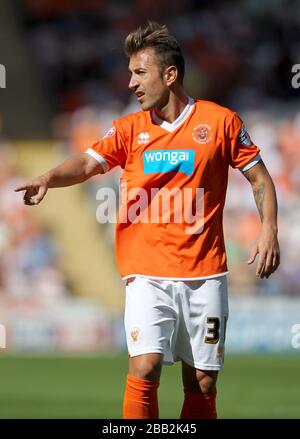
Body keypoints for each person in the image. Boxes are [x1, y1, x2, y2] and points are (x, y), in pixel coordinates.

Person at [15, 21, 280, 419]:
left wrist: (269, 231)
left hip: (205, 275)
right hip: (146, 274)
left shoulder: (221, 121)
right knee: (145, 366)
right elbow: (88, 162)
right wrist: (49, 177)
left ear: (169, 75)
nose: (130, 84)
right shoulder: (128, 129)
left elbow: (260, 177)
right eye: (129, 74)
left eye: (140, 73)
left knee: (203, 381)